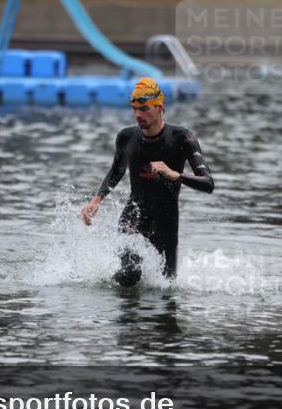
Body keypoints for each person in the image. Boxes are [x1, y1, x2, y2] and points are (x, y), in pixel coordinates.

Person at [81, 77, 214, 286]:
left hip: (166, 223)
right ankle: (106, 291)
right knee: (130, 275)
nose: (137, 115)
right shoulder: (126, 137)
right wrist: (96, 200)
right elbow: (117, 170)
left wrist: (175, 174)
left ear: (159, 107)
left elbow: (208, 183)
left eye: (144, 109)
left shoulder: (182, 137)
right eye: (134, 109)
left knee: (166, 286)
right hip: (133, 216)